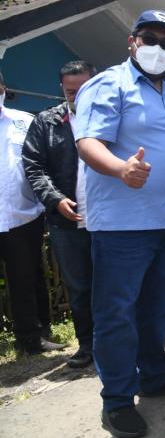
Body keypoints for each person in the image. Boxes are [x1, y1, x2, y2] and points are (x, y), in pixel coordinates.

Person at [73, 10, 165, 438]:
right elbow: (88, 141)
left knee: (157, 305)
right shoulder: (109, 84)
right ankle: (118, 399)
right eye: (150, 39)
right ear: (132, 42)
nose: (158, 49)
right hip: (122, 226)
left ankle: (155, 376)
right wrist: (120, 169)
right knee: (116, 313)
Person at [22, 61, 97, 367]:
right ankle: (88, 346)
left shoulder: (110, 116)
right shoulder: (46, 122)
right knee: (79, 286)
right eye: (70, 91)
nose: (77, 96)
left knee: (114, 286)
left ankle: (119, 345)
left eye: (83, 89)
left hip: (109, 218)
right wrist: (55, 199)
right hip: (67, 220)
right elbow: (33, 166)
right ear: (61, 89)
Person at [0, 71, 65, 355]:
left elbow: (40, 164)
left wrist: (44, 204)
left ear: (2, 88)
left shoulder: (23, 122)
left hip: (22, 214)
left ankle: (35, 334)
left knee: (27, 276)